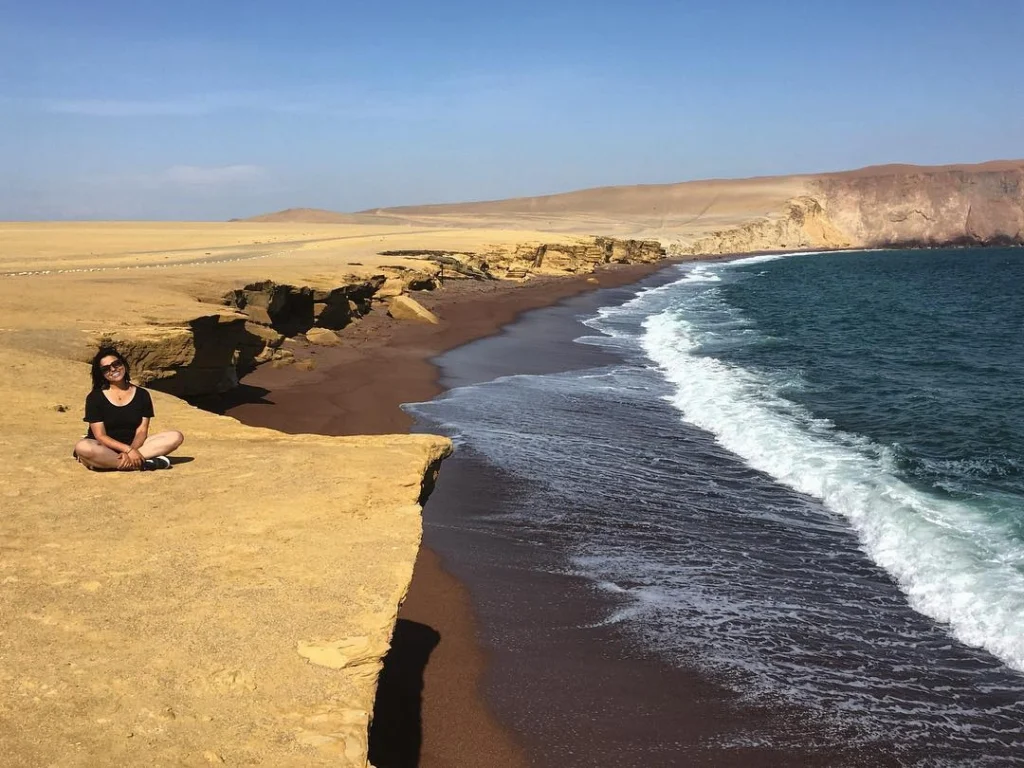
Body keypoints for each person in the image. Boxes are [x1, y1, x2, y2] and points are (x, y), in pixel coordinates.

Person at [73, 347, 184, 471]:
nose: (113, 369)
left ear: (123, 364)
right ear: (102, 374)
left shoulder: (142, 395)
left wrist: (132, 449)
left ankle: (108, 463)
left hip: (135, 445)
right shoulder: (95, 398)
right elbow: (100, 436)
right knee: (83, 447)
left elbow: (142, 431)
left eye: (116, 364)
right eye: (106, 369)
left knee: (175, 436)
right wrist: (128, 450)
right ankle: (144, 464)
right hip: (104, 447)